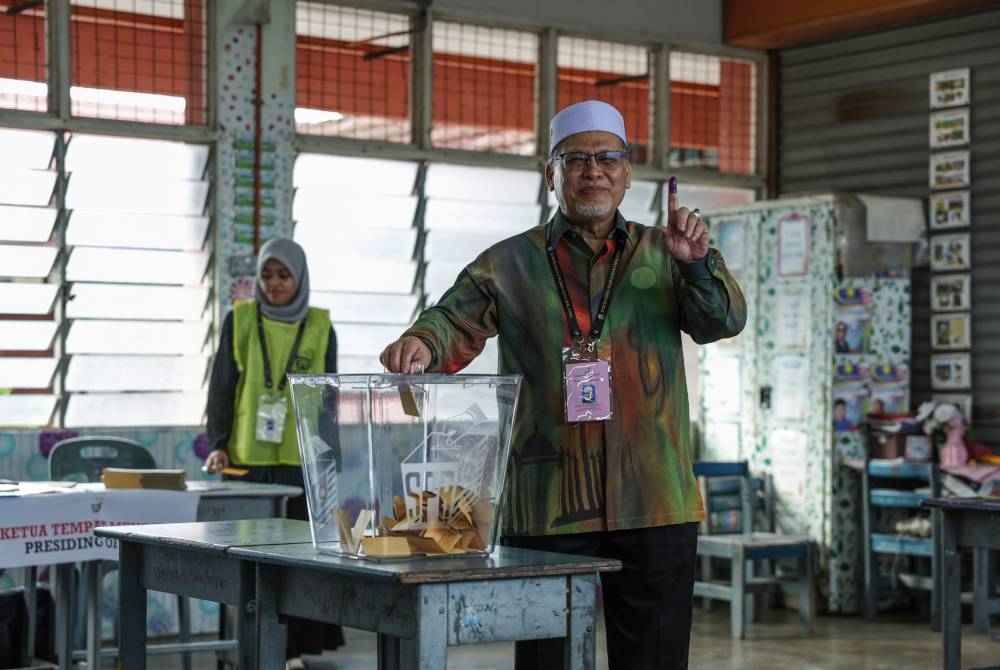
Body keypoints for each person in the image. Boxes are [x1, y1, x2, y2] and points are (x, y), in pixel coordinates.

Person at [380, 100, 746, 670]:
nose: (592, 170)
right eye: (575, 158)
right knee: (549, 659)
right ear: (550, 173)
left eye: (606, 158)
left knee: (654, 658)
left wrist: (698, 266)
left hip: (653, 498)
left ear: (627, 171)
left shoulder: (667, 252)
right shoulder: (508, 263)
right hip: (547, 499)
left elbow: (722, 321)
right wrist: (423, 342)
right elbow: (451, 320)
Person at [204, 237, 344, 663]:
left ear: (299, 278)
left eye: (284, 275)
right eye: (267, 275)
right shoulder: (240, 319)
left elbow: (329, 398)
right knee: (247, 561)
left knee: (298, 560)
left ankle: (292, 648)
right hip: (249, 465)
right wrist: (218, 444)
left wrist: (329, 460)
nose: (275, 283)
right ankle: (242, 647)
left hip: (301, 464)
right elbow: (223, 387)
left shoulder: (321, 327)